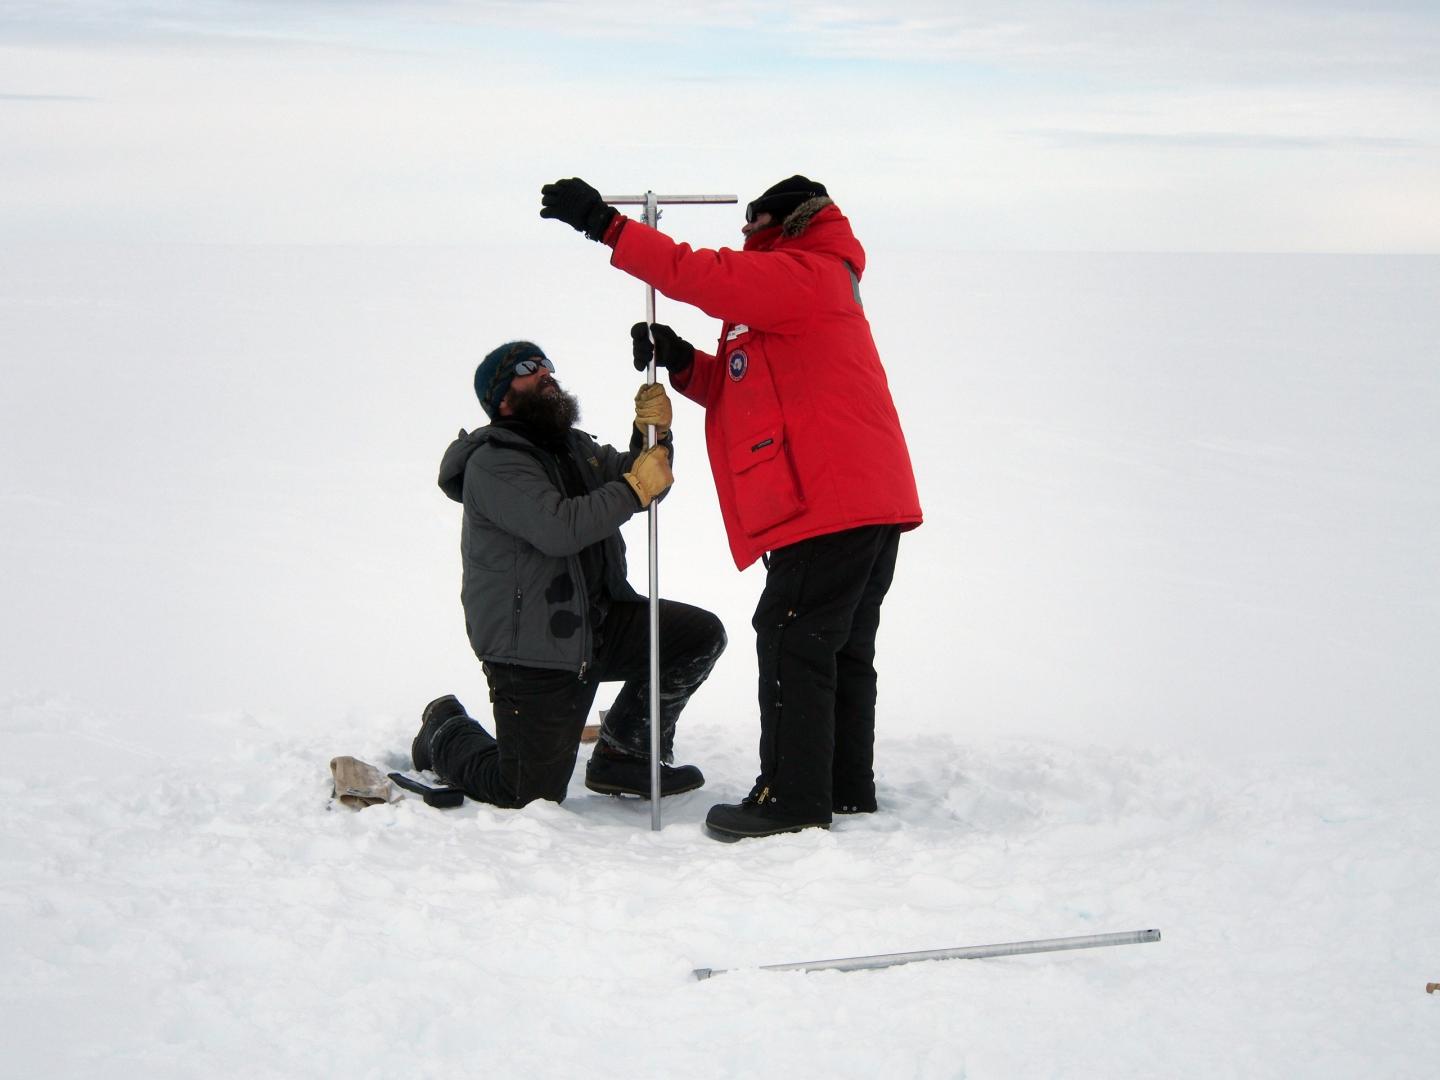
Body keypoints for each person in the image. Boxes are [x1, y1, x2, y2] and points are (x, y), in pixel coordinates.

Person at [541, 175, 922, 840]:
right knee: (837, 648)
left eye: (755, 224)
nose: (744, 235)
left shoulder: (805, 271)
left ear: (787, 221)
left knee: (794, 637)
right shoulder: (806, 285)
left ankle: (792, 798)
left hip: (831, 498)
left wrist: (606, 225)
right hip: (861, 494)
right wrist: (685, 363)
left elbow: (701, 274)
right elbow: (747, 386)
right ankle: (841, 785)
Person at [411, 340, 727, 809]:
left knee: (696, 637)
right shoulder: (493, 463)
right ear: (502, 397)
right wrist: (634, 486)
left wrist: (651, 437)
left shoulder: (574, 448)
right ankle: (444, 729)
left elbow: (641, 481)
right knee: (524, 794)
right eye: (527, 368)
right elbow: (561, 527)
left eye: (546, 364)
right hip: (534, 652)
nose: (545, 373)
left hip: (595, 625)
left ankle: (626, 754)